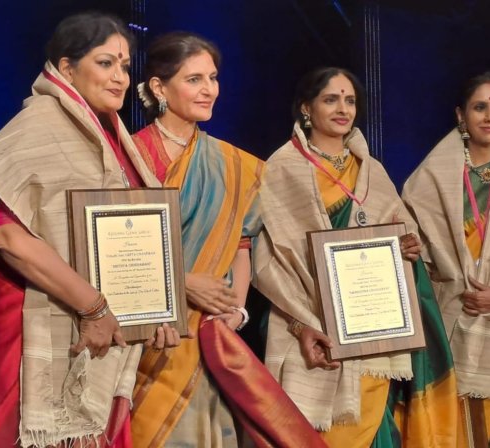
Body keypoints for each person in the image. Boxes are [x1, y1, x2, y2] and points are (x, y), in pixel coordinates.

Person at [0, 12, 180, 447]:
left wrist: (148, 317)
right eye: (105, 63)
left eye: (125, 65)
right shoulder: (37, 126)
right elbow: (6, 237)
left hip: (100, 331)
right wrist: (94, 308)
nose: (119, 77)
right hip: (31, 322)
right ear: (66, 67)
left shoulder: (111, 137)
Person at [130, 32, 326, 447]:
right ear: (159, 88)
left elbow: (241, 247)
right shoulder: (127, 157)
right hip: (144, 335)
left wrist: (236, 312)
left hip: (207, 337)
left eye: (213, 78)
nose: (209, 90)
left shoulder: (235, 165)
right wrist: (178, 284)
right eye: (194, 79)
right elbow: (115, 255)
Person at [253, 67, 458, 447]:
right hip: (307, 324)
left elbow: (402, 231)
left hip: (370, 331)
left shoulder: (371, 171)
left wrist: (409, 247)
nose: (342, 108)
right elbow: (268, 259)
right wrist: (303, 321)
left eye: (349, 100)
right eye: (331, 99)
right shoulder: (280, 169)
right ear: (306, 108)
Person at [403, 71, 490, 447]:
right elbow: (412, 260)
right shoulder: (428, 181)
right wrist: (405, 249)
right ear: (461, 116)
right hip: (444, 330)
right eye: (480, 107)